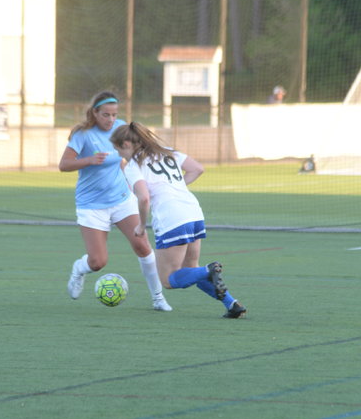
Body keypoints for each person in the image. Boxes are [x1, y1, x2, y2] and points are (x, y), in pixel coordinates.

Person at [110, 122, 247, 318]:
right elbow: (197, 169)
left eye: (118, 150)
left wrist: (141, 225)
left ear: (126, 144)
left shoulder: (133, 166)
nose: (119, 155)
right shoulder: (167, 152)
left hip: (171, 217)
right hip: (193, 212)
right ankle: (232, 305)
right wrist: (176, 187)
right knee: (190, 270)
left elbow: (144, 198)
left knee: (168, 280)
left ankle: (209, 270)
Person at [58, 91, 172, 312]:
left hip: (122, 199)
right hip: (92, 205)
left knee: (143, 246)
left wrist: (131, 180)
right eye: (106, 115)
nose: (111, 119)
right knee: (98, 262)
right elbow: (64, 165)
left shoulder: (120, 128)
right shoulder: (83, 134)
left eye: (114, 114)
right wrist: (89, 160)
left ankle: (158, 298)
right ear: (95, 113)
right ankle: (79, 269)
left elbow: (126, 158)